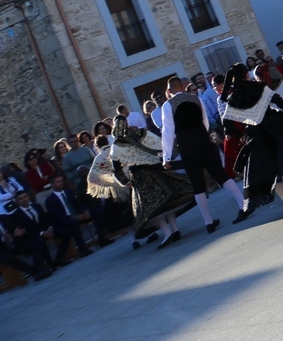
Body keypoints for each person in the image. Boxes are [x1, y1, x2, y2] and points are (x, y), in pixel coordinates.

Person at [219, 63, 283, 217]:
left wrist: (239, 134)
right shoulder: (258, 87)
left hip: (256, 136)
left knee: (273, 171)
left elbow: (226, 123)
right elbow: (275, 97)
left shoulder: (233, 97)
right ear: (246, 75)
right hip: (274, 128)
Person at [159, 76, 250, 234]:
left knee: (197, 184)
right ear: (183, 86)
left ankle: (208, 221)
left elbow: (168, 132)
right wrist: (203, 135)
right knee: (220, 174)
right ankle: (243, 204)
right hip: (203, 141)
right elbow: (205, 122)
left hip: (187, 146)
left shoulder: (168, 106)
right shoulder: (196, 99)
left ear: (169, 91)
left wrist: (166, 157)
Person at [106, 117, 194, 248]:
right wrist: (162, 158)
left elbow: (116, 167)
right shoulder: (139, 133)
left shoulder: (118, 144)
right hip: (155, 169)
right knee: (166, 203)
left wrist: (124, 181)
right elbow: (158, 144)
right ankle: (174, 230)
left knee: (154, 208)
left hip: (141, 177)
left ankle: (168, 232)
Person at [44, 173, 107, 255]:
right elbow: (56, 216)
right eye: (58, 182)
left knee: (97, 211)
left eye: (61, 181)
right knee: (73, 222)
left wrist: (85, 210)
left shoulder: (69, 192)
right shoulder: (49, 200)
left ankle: (102, 238)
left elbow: (79, 203)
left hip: (78, 215)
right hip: (65, 220)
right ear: (52, 184)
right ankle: (82, 248)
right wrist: (73, 217)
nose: (61, 183)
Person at [2, 192, 61, 272]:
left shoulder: (4, 218)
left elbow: (45, 219)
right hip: (25, 237)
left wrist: (49, 228)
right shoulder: (16, 215)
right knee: (39, 241)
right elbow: (23, 231)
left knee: (65, 231)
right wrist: (41, 233)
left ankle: (57, 261)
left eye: (25, 197)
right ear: (17, 202)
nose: (24, 199)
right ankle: (42, 269)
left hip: (41, 232)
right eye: (21, 198)